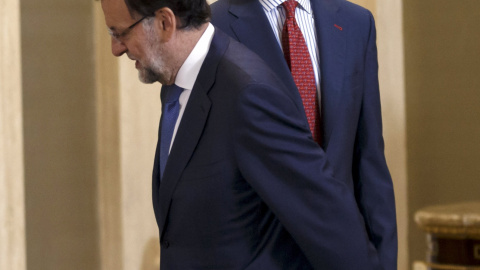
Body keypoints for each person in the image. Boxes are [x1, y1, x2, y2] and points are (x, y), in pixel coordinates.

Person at [101, 0, 383, 268]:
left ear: (165, 22)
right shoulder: (176, 82)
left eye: (119, 33)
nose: (115, 48)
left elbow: (329, 218)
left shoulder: (248, 94)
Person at [210, 0, 398, 269]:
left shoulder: (357, 23)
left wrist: (383, 262)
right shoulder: (214, 25)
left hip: (344, 255)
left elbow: (370, 162)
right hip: (258, 257)